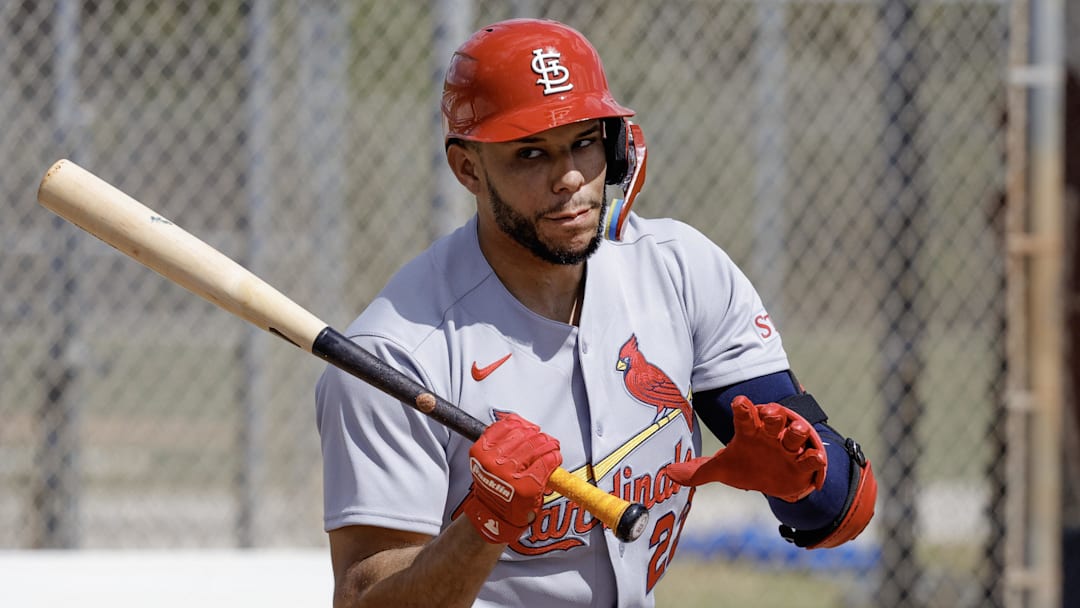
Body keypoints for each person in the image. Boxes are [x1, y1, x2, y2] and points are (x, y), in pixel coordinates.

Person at [315, 18, 876, 607]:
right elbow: (364, 600)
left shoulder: (681, 272)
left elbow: (842, 512)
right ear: (468, 170)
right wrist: (485, 525)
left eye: (584, 142)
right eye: (531, 153)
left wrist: (807, 481)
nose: (572, 178)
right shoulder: (398, 355)